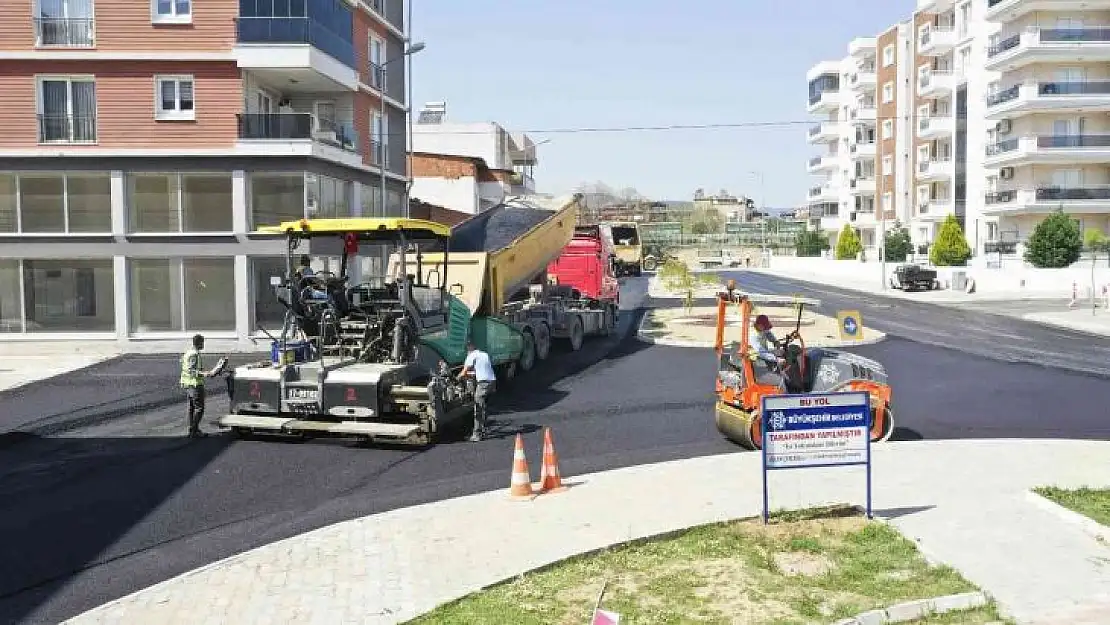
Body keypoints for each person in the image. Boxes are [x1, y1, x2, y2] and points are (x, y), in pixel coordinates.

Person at [180, 334, 226, 439]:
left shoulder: (188, 353)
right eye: (203, 342)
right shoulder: (194, 355)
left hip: (188, 384)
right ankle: (194, 430)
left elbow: (186, 367)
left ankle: (193, 428)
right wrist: (204, 374)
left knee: (192, 408)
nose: (203, 344)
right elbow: (191, 370)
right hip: (194, 385)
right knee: (199, 408)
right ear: (199, 343)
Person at [458, 340, 496, 442]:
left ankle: (477, 434)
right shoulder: (484, 354)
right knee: (484, 406)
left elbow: (463, 372)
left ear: (468, 350)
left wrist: (457, 377)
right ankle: (484, 428)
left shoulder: (471, 356)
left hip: (483, 383)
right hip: (492, 382)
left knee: (478, 407)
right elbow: (479, 371)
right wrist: (468, 374)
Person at [747, 314, 786, 387]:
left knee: (780, 353)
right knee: (781, 381)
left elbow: (769, 334)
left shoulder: (763, 330)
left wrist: (775, 341)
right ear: (759, 325)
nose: (766, 329)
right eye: (764, 327)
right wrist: (776, 359)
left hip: (763, 357)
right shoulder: (753, 336)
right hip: (757, 365)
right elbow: (761, 353)